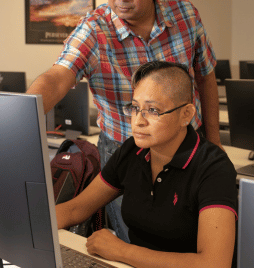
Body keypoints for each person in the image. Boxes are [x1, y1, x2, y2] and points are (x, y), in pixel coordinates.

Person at [27, 0, 222, 242]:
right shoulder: (94, 28)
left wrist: (214, 141)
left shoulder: (185, 14)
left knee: (192, 233)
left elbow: (206, 76)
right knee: (134, 237)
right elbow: (58, 76)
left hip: (186, 144)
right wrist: (23, 109)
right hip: (124, 149)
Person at [56, 61, 237, 267]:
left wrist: (122, 251)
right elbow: (76, 209)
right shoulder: (132, 150)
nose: (138, 121)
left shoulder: (213, 168)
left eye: (152, 110)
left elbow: (214, 264)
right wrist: (25, 223)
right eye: (135, 108)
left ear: (186, 114)